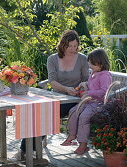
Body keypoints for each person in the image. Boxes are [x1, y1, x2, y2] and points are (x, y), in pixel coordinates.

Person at [17, 30, 90, 159]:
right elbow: (52, 81)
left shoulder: (83, 59)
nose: (73, 49)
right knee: (36, 111)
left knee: (48, 114)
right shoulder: (52, 59)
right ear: (63, 45)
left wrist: (80, 87)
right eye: (69, 46)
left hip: (74, 98)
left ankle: (26, 150)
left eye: (75, 46)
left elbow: (86, 79)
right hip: (56, 95)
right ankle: (26, 149)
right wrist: (66, 89)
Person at [61, 48, 112, 155]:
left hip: (98, 103)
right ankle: (72, 135)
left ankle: (83, 144)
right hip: (88, 102)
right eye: (89, 64)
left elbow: (104, 91)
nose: (90, 66)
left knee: (84, 116)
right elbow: (92, 84)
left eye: (92, 64)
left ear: (101, 64)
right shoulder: (94, 72)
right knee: (73, 111)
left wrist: (89, 93)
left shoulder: (105, 75)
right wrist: (84, 84)